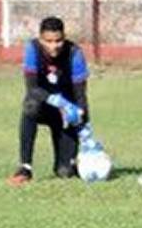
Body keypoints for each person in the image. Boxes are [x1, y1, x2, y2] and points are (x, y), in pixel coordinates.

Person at [8, 16, 90, 186]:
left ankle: (71, 163)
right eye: (49, 41)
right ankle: (25, 167)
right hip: (43, 106)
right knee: (30, 105)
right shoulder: (33, 49)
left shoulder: (74, 53)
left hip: (65, 116)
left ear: (64, 37)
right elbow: (32, 88)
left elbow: (80, 96)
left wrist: (84, 128)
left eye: (58, 41)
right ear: (40, 38)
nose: (54, 46)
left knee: (65, 173)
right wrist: (58, 101)